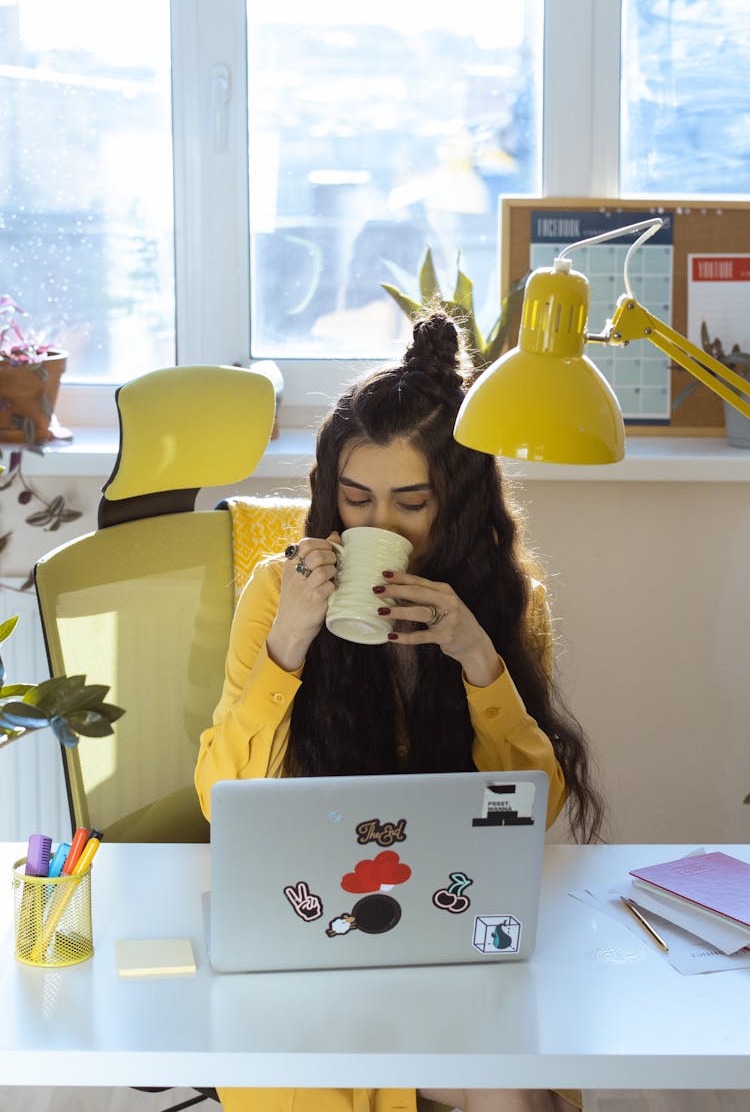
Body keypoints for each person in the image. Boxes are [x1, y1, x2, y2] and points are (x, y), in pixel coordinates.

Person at [195, 309, 604, 1112]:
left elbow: (533, 811)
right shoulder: (276, 597)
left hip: (448, 927)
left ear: (456, 502)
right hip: (311, 933)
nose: (377, 528)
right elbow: (221, 798)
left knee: (522, 1094)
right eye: (355, 500)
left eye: (410, 504)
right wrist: (288, 648)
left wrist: (479, 659)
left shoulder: (507, 604)